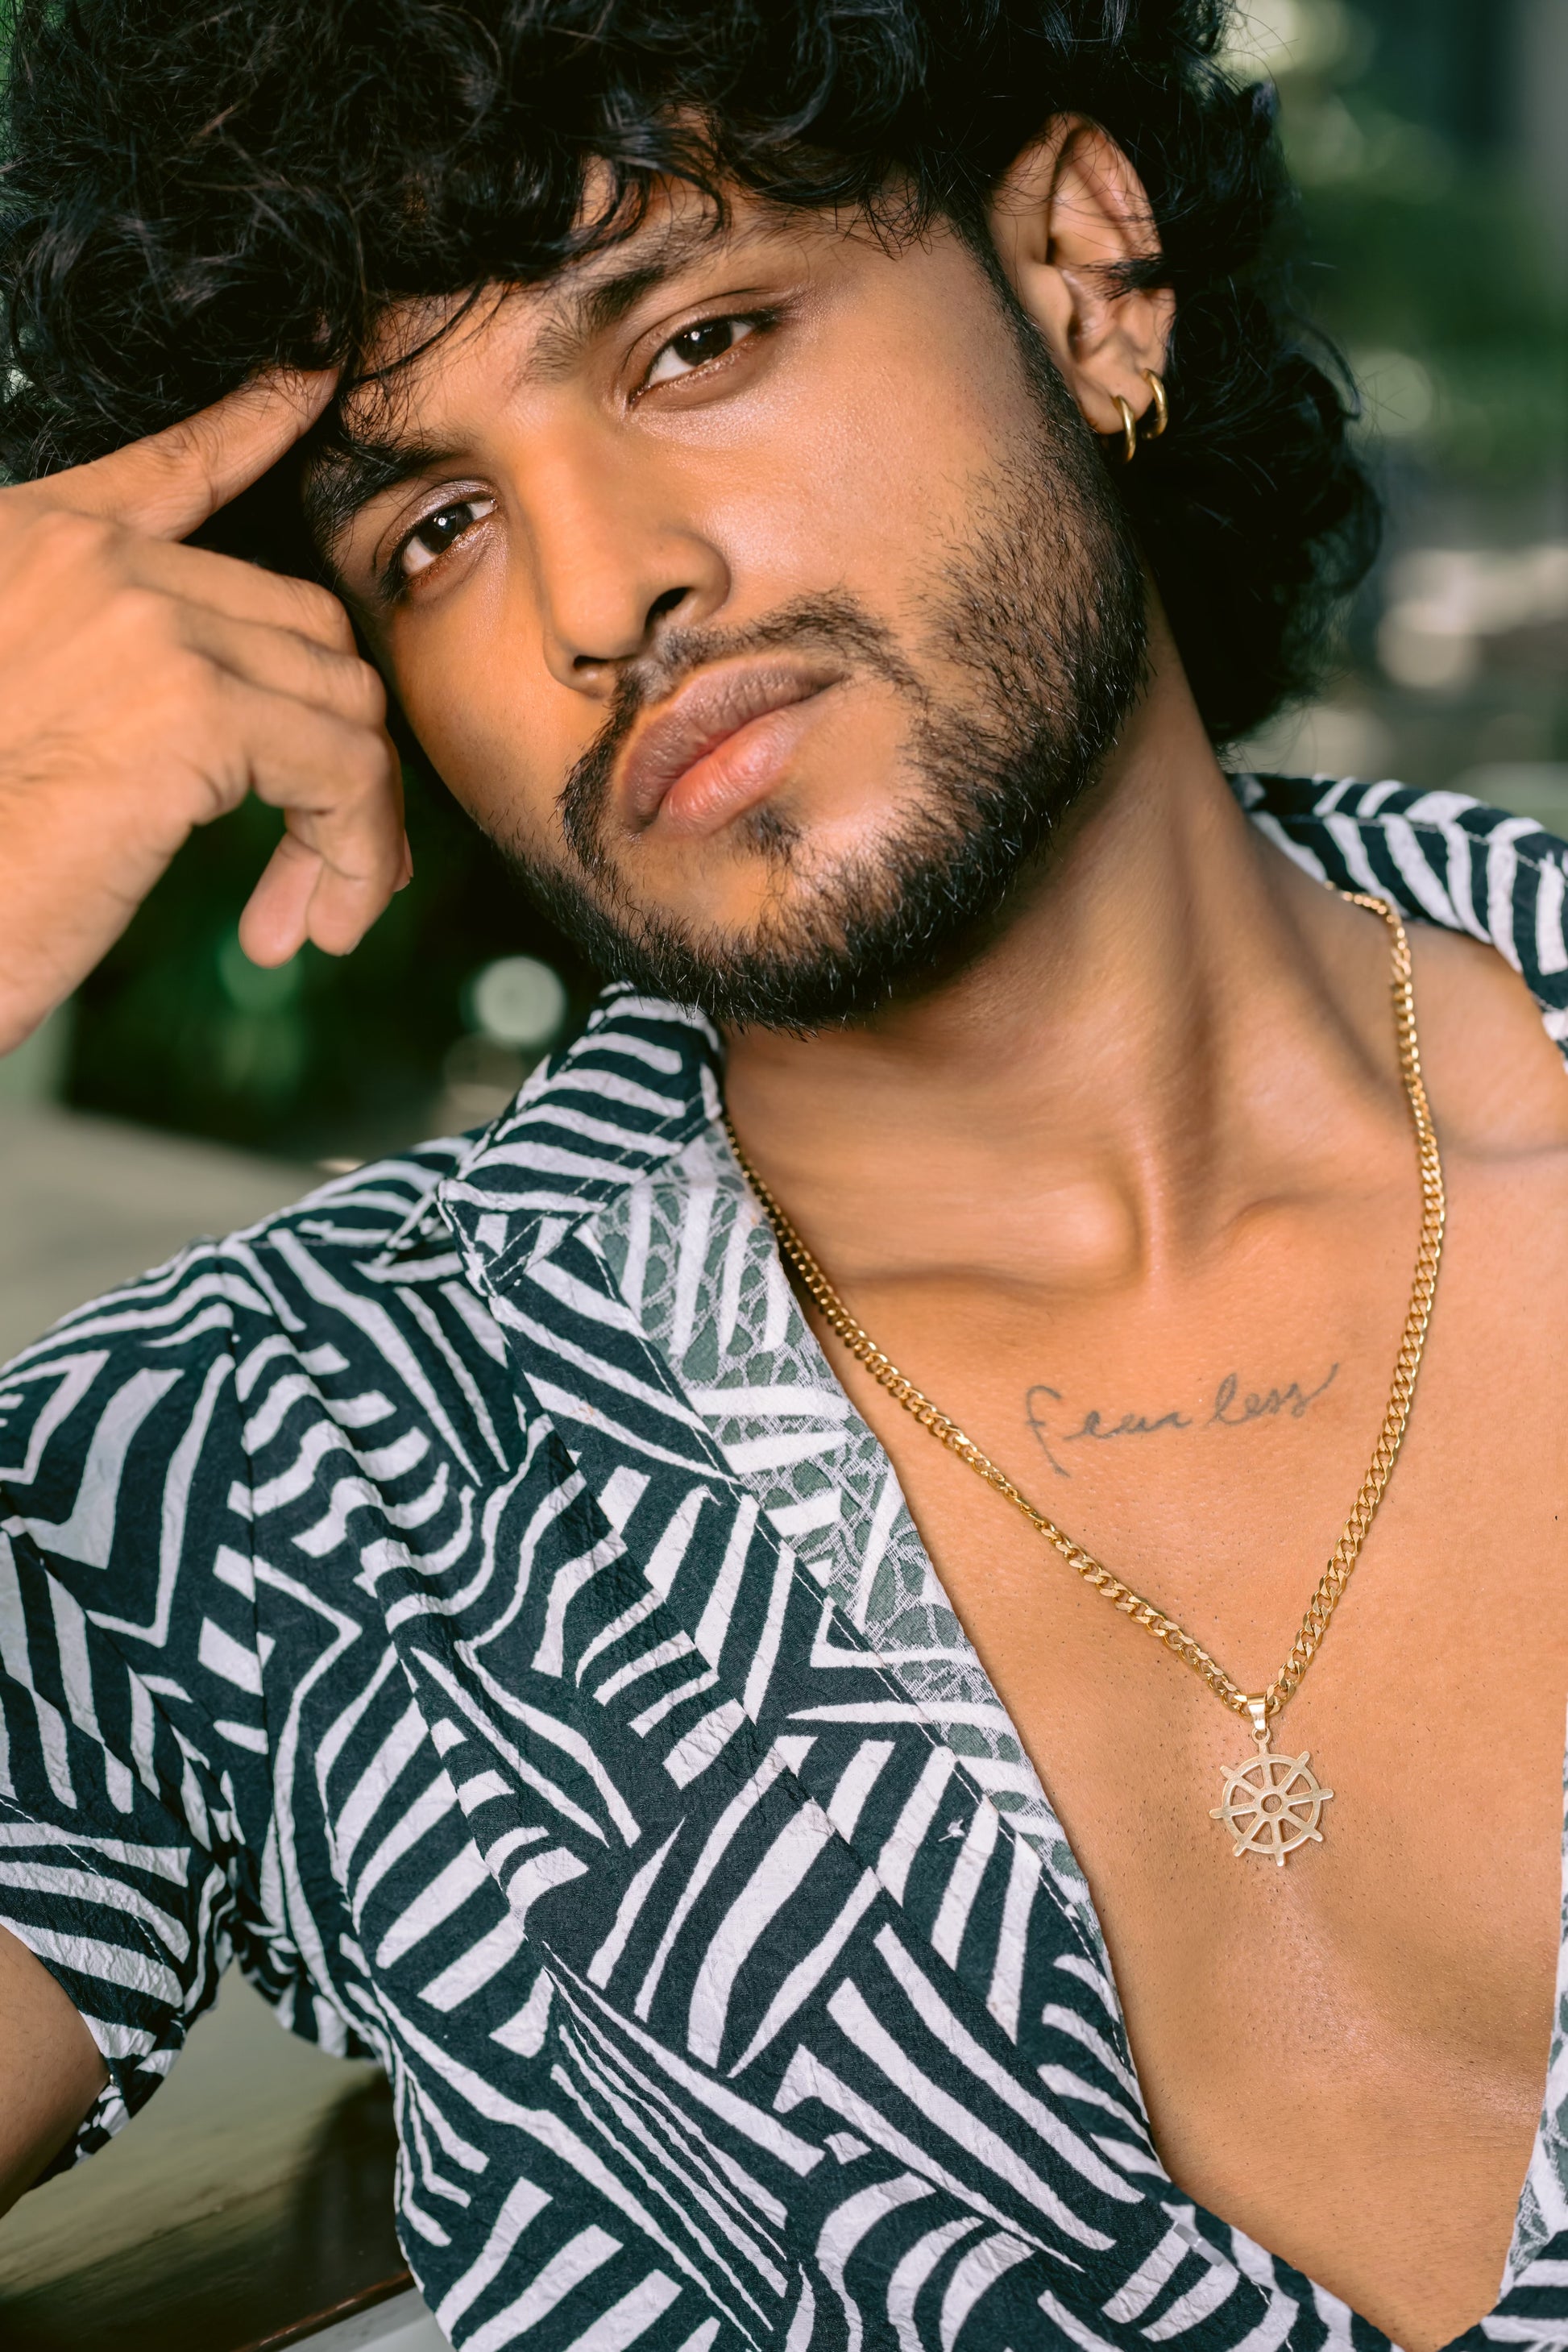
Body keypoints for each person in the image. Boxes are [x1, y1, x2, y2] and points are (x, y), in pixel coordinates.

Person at [0, 1, 1565, 2347]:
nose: (595, 595)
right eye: (435, 530)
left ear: (1083, 277)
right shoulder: (285, 1469)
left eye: (697, 342)